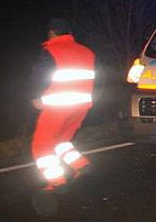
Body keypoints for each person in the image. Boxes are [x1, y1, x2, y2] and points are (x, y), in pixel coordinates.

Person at [29, 19, 95, 192]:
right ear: (70, 33)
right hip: (81, 106)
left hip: (58, 106)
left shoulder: (51, 51)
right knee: (61, 141)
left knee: (42, 146)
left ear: (51, 32)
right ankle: (81, 165)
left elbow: (39, 77)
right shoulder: (87, 52)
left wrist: (35, 97)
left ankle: (57, 183)